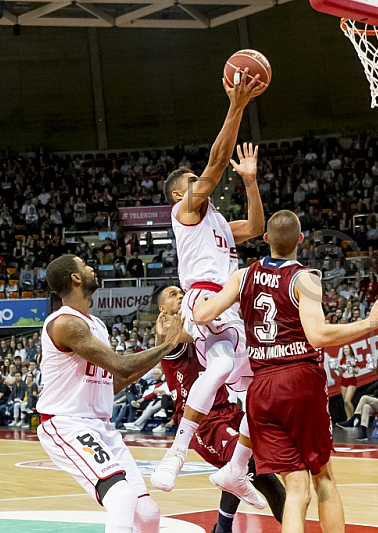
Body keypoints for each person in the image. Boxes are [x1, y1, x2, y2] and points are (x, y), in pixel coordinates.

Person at [191, 209, 378, 533]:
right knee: (323, 479)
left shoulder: (242, 276)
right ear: (300, 239)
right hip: (299, 381)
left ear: (265, 240)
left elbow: (203, 313)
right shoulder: (305, 278)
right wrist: (370, 323)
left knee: (296, 488)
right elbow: (318, 335)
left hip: (260, 390)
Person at [151, 87, 268, 506]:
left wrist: (251, 182)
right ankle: (176, 454)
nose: (201, 184)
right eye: (192, 182)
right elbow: (217, 163)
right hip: (203, 300)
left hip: (233, 306)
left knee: (261, 391)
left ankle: (236, 469)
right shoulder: (186, 214)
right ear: (180, 195)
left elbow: (256, 226)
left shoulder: (216, 219)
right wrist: (236, 106)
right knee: (218, 364)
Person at [35, 254, 185, 533]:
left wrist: (159, 346)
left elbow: (115, 380)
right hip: (66, 423)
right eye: (85, 265)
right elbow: (120, 364)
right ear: (76, 278)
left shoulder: (98, 325)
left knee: (148, 513)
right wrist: (167, 346)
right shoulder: (65, 323)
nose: (92, 268)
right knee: (122, 497)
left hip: (100, 426)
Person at [154, 286, 286, 533]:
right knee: (257, 470)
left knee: (238, 466)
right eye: (172, 295)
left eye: (180, 291)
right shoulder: (169, 331)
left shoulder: (198, 324)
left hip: (227, 409)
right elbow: (179, 334)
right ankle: (286, 523)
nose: (180, 295)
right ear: (162, 310)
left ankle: (222, 528)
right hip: (203, 423)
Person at [337, 344, 359, 420]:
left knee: (347, 400)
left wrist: (351, 368)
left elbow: (357, 371)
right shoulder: (342, 360)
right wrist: (339, 368)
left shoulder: (354, 359)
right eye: (344, 349)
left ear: (350, 350)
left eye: (347, 348)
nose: (345, 350)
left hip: (351, 380)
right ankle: (348, 418)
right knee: (345, 402)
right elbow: (340, 373)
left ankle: (353, 418)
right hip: (343, 380)